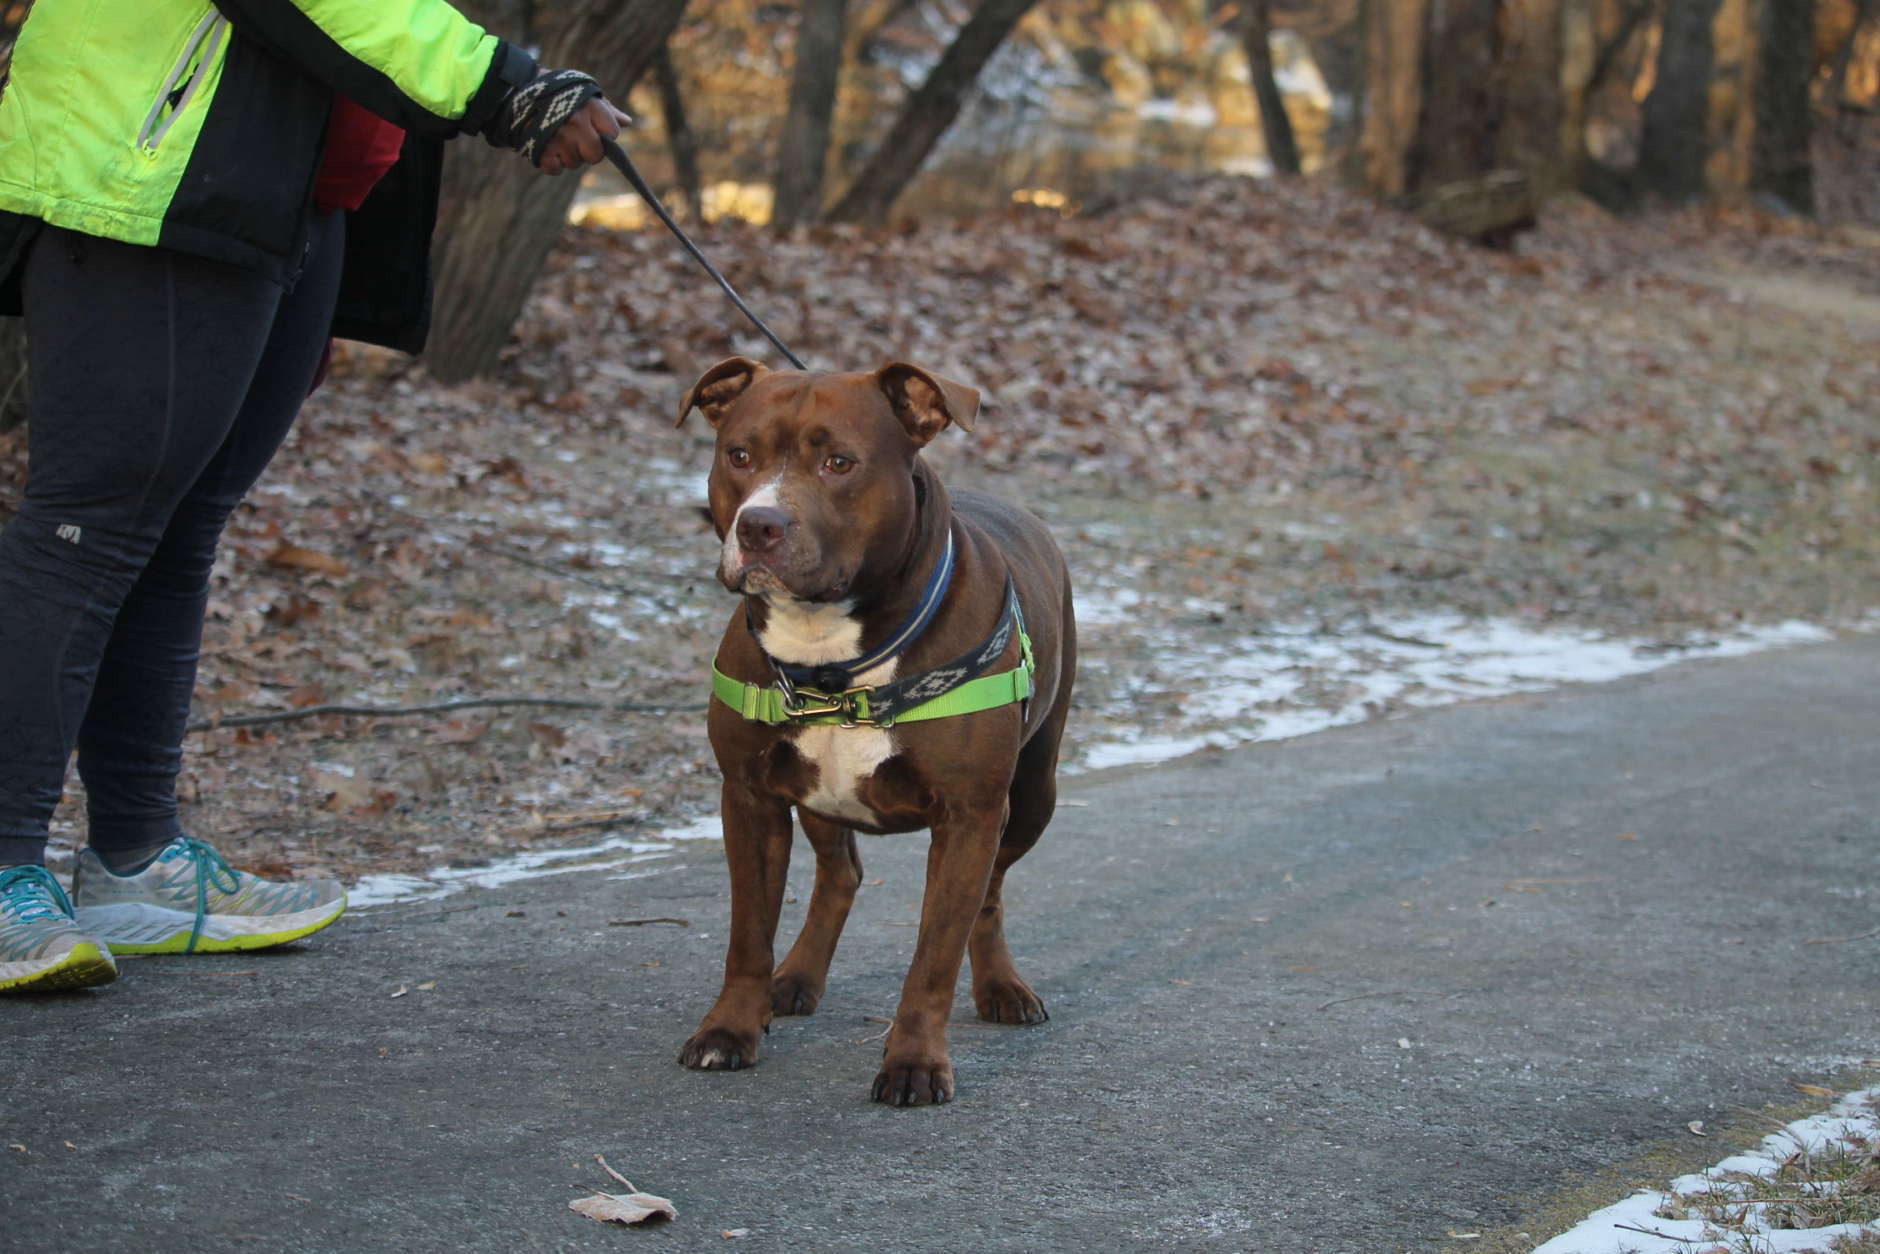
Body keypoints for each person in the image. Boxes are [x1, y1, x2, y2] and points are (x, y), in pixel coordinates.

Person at [0, 0, 632, 993]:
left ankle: (134, 856)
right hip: (144, 161)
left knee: (179, 527)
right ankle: (5, 867)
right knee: (85, 532)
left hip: (283, 183)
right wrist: (507, 85)